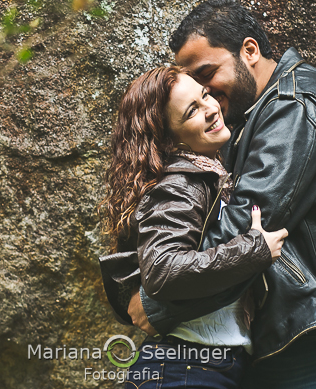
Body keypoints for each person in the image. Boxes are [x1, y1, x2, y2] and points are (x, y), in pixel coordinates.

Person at [107, 0, 316, 388]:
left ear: (249, 51)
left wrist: (157, 304)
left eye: (208, 74)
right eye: (195, 93)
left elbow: (247, 225)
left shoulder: (293, 105)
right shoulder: (247, 121)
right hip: (302, 340)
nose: (209, 96)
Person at [99, 66, 289, 389]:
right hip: (184, 367)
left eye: (204, 96)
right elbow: (163, 269)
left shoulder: (208, 173)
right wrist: (254, 250)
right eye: (192, 112)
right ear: (169, 138)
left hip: (200, 366)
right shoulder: (180, 183)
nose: (212, 109)